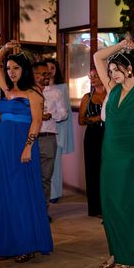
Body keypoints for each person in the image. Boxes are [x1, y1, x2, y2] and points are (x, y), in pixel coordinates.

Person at [93, 38, 134, 268]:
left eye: (116, 69)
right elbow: (97, 57)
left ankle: (125, 254)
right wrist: (120, 45)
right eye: (110, 71)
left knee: (125, 205)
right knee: (109, 206)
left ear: (128, 68)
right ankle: (114, 251)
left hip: (131, 156)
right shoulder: (112, 89)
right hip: (109, 154)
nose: (111, 74)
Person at [0, 41, 53, 263]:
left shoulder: (33, 94)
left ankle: (27, 245)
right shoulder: (6, 89)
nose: (11, 72)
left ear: (24, 69)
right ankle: (8, 244)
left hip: (23, 148)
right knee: (5, 195)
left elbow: (36, 122)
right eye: (9, 69)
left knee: (22, 195)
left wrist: (28, 146)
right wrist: (5, 48)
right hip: (4, 148)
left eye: (15, 68)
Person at [32, 62, 68, 217]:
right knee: (29, 177)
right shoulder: (26, 92)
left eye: (48, 73)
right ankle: (29, 212)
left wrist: (51, 115)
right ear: (34, 75)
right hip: (30, 139)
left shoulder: (55, 93)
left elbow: (64, 114)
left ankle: (42, 212)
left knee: (45, 178)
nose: (47, 76)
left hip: (48, 138)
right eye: (43, 74)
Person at [44, 59, 74, 203]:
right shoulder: (37, 88)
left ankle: (55, 194)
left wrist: (63, 137)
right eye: (47, 68)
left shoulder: (61, 88)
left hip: (58, 130)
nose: (50, 71)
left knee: (55, 166)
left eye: (53, 68)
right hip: (43, 132)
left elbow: (65, 112)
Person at [78, 69, 105, 217]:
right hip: (93, 135)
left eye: (96, 75)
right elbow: (81, 120)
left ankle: (109, 205)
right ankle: (95, 208)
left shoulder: (112, 94)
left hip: (109, 135)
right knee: (93, 170)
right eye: (91, 76)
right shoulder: (87, 97)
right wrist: (97, 118)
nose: (93, 78)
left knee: (107, 170)